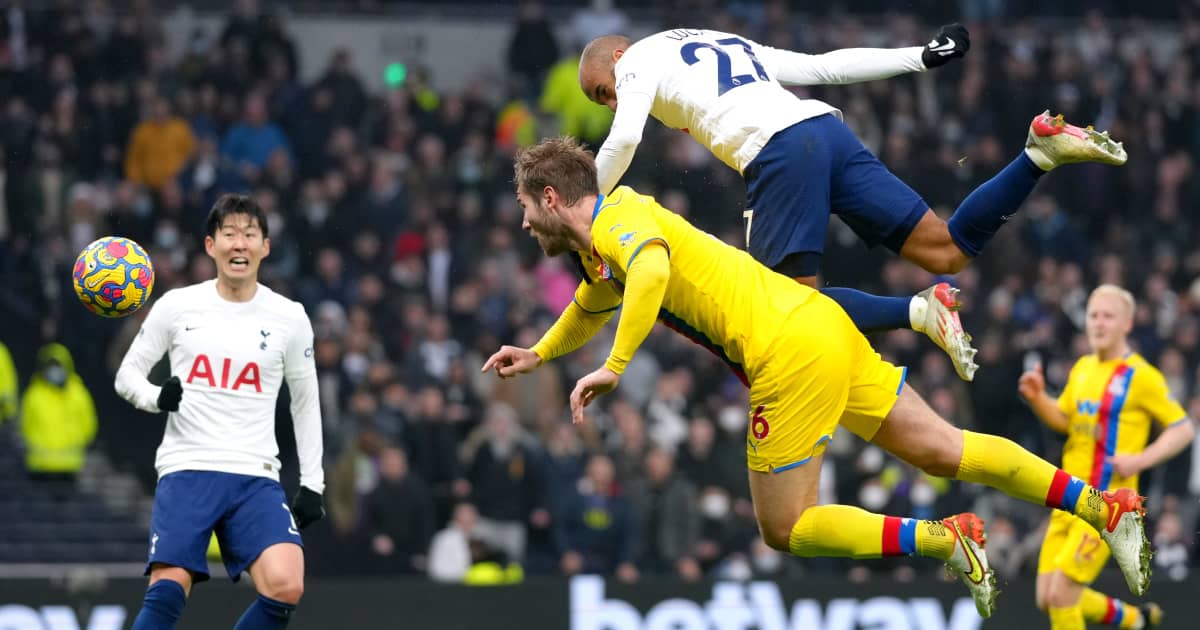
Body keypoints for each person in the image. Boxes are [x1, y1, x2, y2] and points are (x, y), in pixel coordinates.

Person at [483, 137, 1151, 617]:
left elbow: (652, 274)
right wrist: (540, 353)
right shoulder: (603, 253)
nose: (521, 222)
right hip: (821, 323)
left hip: (785, 355)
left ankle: (945, 541)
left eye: (524, 207)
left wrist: (614, 368)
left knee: (786, 527)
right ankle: (1103, 507)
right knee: (946, 448)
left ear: (550, 196)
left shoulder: (621, 217)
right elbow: (589, 305)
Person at [578, 28, 1127, 382]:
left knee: (785, 313)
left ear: (617, 58)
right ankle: (1040, 154)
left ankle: (917, 312)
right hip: (823, 131)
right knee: (948, 250)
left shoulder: (636, 61)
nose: (610, 102)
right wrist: (918, 56)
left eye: (602, 90)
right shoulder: (717, 43)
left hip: (779, 153)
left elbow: (624, 140)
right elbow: (821, 68)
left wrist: (588, 209)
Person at [115, 194, 325, 630]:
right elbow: (127, 375)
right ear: (210, 246)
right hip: (188, 466)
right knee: (169, 587)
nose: (239, 244)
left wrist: (312, 482)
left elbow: (305, 401)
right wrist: (158, 398)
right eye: (228, 234)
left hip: (256, 474)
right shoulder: (176, 306)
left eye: (249, 234)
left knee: (287, 583)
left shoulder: (289, 317)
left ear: (265, 246)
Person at [1019, 285, 1193, 630]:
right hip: (1067, 498)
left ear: (1127, 324)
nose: (1098, 323)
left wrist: (1140, 460)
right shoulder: (1083, 367)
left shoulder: (1141, 375)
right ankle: (1133, 618)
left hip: (1107, 507)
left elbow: (1183, 428)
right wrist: (1039, 399)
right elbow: (1066, 421)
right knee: (1045, 596)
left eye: (1108, 316)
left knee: (1061, 597)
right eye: (1093, 315)